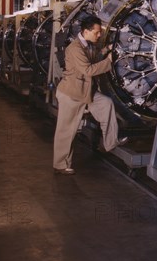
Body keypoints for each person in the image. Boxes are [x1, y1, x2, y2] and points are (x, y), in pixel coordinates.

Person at [53, 15, 127, 175]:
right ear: (86, 31)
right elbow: (88, 70)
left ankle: (110, 142)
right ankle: (60, 164)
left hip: (86, 90)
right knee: (67, 130)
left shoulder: (88, 45)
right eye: (97, 32)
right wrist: (108, 61)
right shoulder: (74, 49)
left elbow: (94, 57)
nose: (99, 35)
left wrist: (106, 50)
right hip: (72, 93)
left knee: (106, 104)